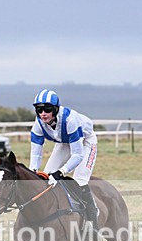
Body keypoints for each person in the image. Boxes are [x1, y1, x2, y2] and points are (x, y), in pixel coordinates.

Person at [29, 89, 100, 229]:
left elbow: (78, 155)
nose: (43, 113)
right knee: (47, 178)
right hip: (64, 142)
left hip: (85, 142)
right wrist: (33, 171)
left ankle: (92, 219)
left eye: (47, 109)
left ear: (55, 109)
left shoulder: (70, 120)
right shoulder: (38, 123)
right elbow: (36, 153)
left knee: (80, 180)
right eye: (39, 109)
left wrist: (62, 171)